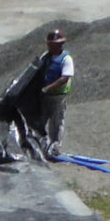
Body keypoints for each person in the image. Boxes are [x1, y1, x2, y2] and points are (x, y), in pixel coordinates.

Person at [33, 26, 74, 157]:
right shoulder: (46, 56)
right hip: (44, 96)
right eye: (49, 44)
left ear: (59, 44)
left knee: (56, 123)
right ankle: (38, 146)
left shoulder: (66, 59)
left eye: (52, 44)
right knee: (39, 121)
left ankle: (55, 148)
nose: (49, 46)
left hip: (58, 96)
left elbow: (64, 78)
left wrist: (48, 88)